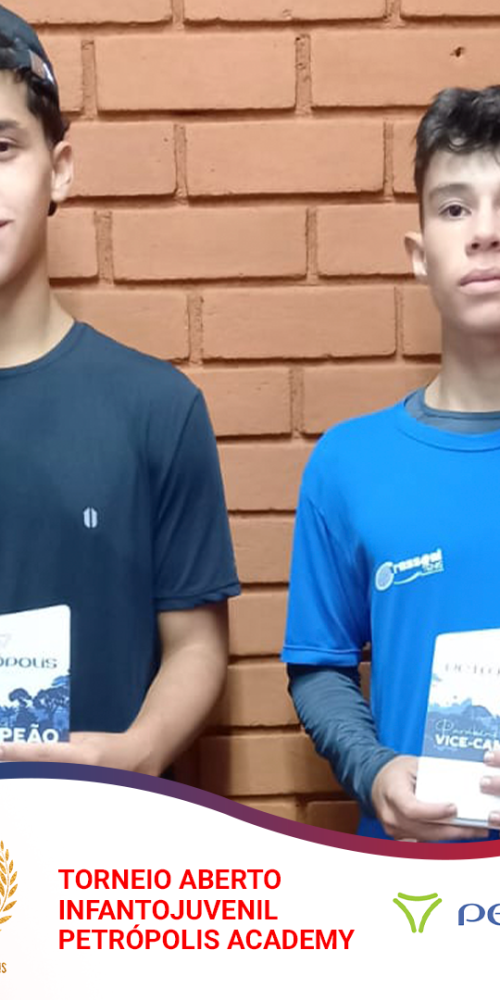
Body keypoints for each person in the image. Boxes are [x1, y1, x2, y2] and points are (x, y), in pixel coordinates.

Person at [0, 5, 240, 773]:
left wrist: (138, 753)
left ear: (60, 169)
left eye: (0, 149)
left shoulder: (156, 409)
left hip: (100, 835)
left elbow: (196, 644)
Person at [283, 85, 500, 842]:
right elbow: (320, 666)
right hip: (410, 888)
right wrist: (373, 770)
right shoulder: (349, 464)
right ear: (418, 255)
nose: (486, 233)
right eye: (455, 208)